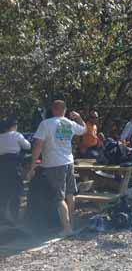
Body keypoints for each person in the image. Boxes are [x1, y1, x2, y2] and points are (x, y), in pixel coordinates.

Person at [28, 100, 86, 236]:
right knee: (70, 194)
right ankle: (71, 224)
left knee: (59, 198)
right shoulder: (70, 123)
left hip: (54, 164)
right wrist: (78, 117)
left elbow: (38, 145)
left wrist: (32, 165)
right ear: (64, 110)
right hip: (69, 162)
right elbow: (84, 129)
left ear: (53, 110)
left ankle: (67, 229)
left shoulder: (46, 124)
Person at [0, 117, 31, 222]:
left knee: (4, 191)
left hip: (2, 166)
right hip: (14, 166)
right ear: (14, 126)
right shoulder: (16, 135)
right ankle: (14, 216)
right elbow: (27, 146)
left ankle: (3, 217)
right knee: (16, 191)